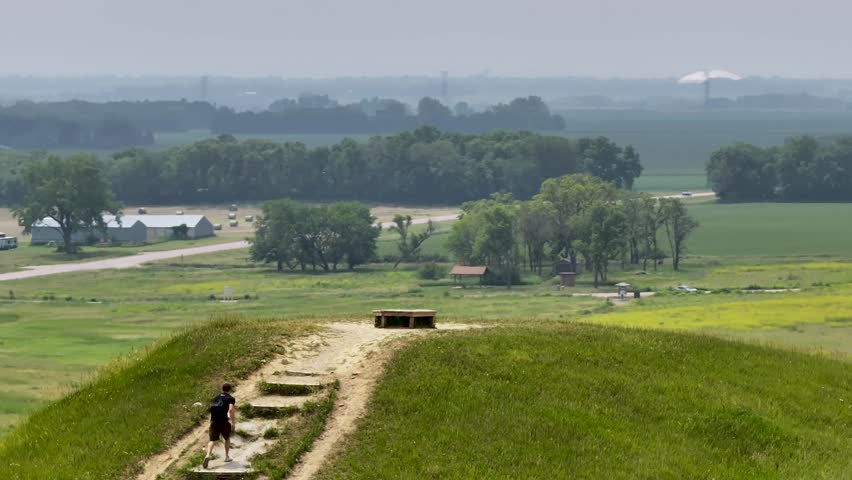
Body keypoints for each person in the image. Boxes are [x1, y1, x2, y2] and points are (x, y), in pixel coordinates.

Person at [203, 383, 236, 469]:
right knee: (227, 438)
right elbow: (231, 409)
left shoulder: (215, 397)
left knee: (212, 440)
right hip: (224, 421)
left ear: (222, 389)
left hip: (214, 421)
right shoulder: (230, 398)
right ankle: (227, 457)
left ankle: (208, 455)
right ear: (230, 389)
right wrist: (233, 423)